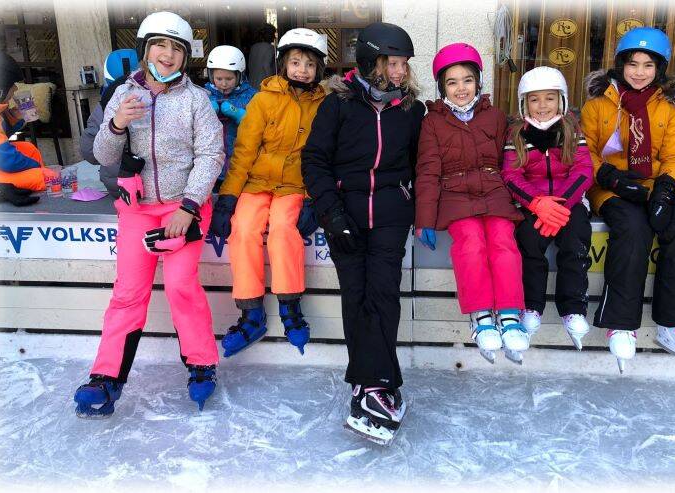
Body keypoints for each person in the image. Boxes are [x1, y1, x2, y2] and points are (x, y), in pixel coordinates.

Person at [73, 11, 224, 417]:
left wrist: (189, 208)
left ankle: (201, 364)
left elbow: (211, 155)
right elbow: (101, 156)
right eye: (161, 45)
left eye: (177, 48)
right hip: (137, 208)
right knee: (127, 294)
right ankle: (105, 378)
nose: (169, 54)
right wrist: (117, 124)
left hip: (183, 210)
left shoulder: (196, 100)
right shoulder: (125, 93)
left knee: (180, 287)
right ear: (145, 50)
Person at [302, 22, 425, 445]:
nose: (401, 72)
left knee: (383, 296)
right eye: (394, 63)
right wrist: (331, 214)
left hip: (391, 213)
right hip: (345, 215)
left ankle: (374, 384)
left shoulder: (412, 110)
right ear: (371, 63)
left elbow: (417, 164)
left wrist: (417, 209)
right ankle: (372, 386)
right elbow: (315, 161)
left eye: (405, 64)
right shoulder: (337, 105)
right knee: (356, 297)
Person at [581, 27, 675, 373]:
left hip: (655, 184)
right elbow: (585, 151)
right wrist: (611, 178)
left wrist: (666, 189)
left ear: (660, 69)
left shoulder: (667, 108)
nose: (639, 72)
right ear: (621, 64)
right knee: (634, 228)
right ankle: (620, 323)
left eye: (648, 65)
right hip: (609, 185)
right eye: (633, 63)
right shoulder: (598, 104)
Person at [209, 28, 327, 357]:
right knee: (243, 229)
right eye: (295, 62)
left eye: (309, 64)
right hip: (257, 183)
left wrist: (315, 200)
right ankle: (251, 313)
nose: (302, 70)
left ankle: (290, 306)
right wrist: (228, 199)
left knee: (282, 230)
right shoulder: (263, 100)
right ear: (283, 65)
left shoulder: (325, 105)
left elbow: (327, 157)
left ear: (319, 69)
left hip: (295, 186)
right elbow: (243, 151)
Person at [414, 43, 526, 365]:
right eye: (452, 82)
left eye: (467, 80)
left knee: (503, 241)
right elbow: (428, 171)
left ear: (478, 81)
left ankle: (508, 314)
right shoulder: (432, 122)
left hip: (493, 190)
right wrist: (425, 218)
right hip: (455, 195)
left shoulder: (495, 117)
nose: (460, 88)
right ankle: (481, 315)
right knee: (471, 243)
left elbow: (511, 160)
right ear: (441, 87)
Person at [501, 66, 594, 352]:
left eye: (550, 98)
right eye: (534, 99)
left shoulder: (571, 130)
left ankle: (573, 308)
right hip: (534, 204)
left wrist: (561, 208)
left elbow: (583, 170)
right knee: (529, 242)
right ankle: (531, 307)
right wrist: (538, 204)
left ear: (561, 100)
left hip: (570, 201)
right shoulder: (517, 134)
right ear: (524, 103)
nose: (542, 106)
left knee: (576, 239)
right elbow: (511, 175)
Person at [0, 50, 51, 206]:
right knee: (43, 176)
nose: (15, 90)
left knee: (28, 148)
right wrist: (34, 167)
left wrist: (14, 117)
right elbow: (7, 161)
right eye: (12, 86)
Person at [80, 48, 139, 196]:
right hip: (154, 186)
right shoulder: (152, 100)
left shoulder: (104, 105)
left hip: (117, 186)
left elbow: (89, 151)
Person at [205, 45, 257, 190]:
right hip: (212, 162)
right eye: (219, 78)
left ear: (239, 76)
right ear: (211, 76)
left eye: (229, 78)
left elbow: (259, 124)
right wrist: (206, 111)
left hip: (240, 160)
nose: (223, 83)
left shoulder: (251, 95)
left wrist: (241, 115)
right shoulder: (204, 95)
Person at [248, 23, 277, 89]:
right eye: (273, 34)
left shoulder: (253, 47)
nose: (274, 37)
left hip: (251, 85)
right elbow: (266, 66)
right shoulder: (270, 48)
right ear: (268, 35)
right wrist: (271, 83)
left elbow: (249, 66)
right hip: (263, 86)